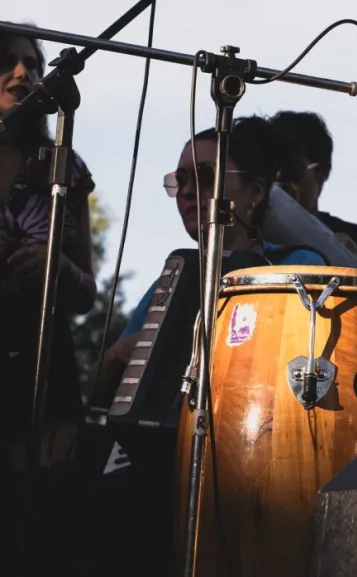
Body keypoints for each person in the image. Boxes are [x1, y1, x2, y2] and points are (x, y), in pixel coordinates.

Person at [80, 116, 326, 576]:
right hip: (156, 468)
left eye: (205, 177)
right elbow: (104, 394)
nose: (188, 191)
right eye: (180, 180)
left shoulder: (298, 267)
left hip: (255, 464)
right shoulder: (167, 284)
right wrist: (118, 358)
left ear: (254, 192)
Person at [0, 30, 96, 570]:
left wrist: (58, 268)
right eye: (7, 62)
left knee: (42, 524)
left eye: (31, 63)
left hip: (45, 362)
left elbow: (86, 293)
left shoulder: (62, 164)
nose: (22, 72)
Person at [269, 110, 357, 271]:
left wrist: (344, 261)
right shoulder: (245, 235)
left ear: (322, 171)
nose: (278, 177)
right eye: (270, 167)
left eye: (291, 168)